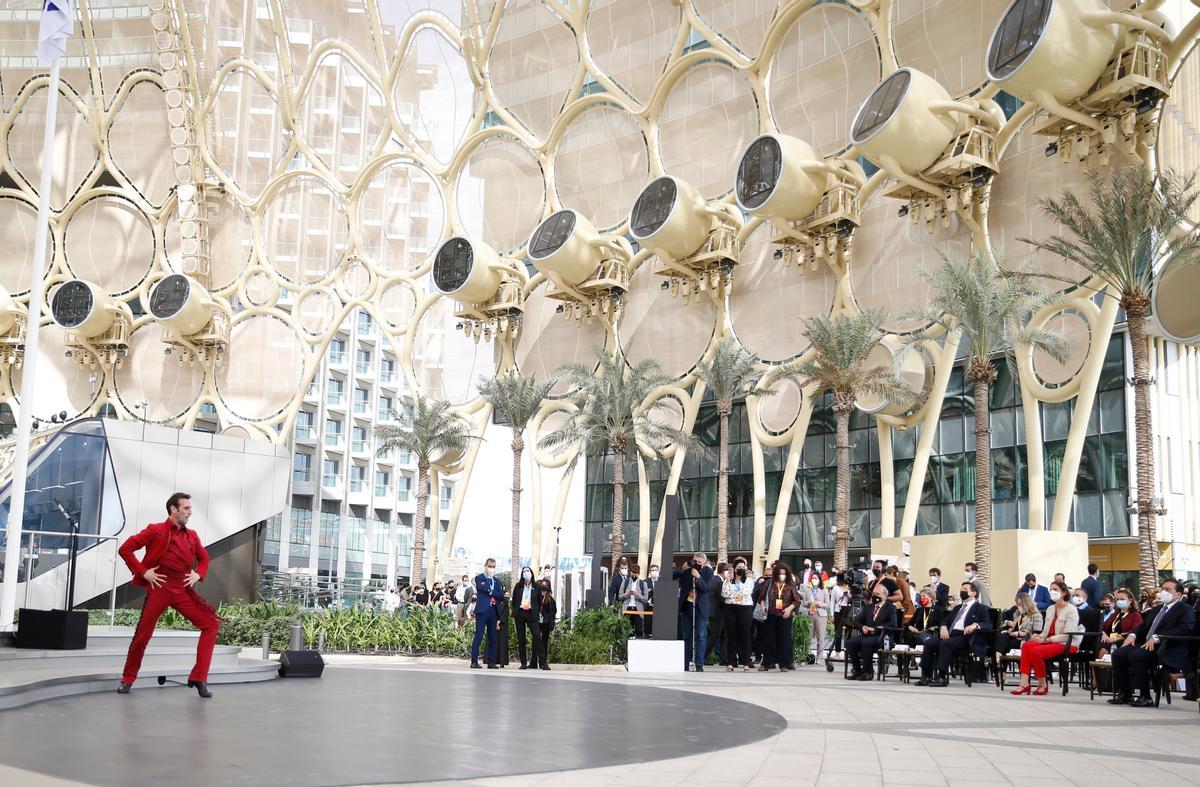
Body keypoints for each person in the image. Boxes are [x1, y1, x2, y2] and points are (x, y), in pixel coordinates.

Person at [116, 493, 220, 698]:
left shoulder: (192, 536)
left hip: (181, 590)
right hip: (160, 588)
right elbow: (125, 549)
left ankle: (199, 676)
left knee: (211, 625)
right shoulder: (155, 530)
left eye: (190, 508)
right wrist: (143, 571)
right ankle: (128, 678)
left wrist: (198, 573)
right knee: (142, 636)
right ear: (174, 509)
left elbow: (204, 558)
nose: (190, 512)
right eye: (186, 508)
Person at [1110, 578, 1196, 707]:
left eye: (1168, 589)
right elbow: (1143, 626)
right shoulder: (1157, 609)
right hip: (1146, 646)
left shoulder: (1185, 609)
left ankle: (1145, 696)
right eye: (1162, 589)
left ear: (1178, 594)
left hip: (1167, 649)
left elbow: (1184, 629)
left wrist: (1158, 637)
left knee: (1137, 655)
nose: (1163, 592)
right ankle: (1125, 694)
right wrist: (1133, 634)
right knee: (1119, 654)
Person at [1011, 580, 1081, 696]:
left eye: (1055, 590)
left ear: (1063, 593)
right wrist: (1037, 637)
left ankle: (1042, 684)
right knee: (1027, 645)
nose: (1052, 592)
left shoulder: (1071, 610)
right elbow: (1045, 632)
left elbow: (1068, 635)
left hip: (1067, 643)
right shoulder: (1050, 609)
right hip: (1049, 641)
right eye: (1051, 589)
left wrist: (1046, 640)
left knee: (1035, 651)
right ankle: (1024, 684)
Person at [921, 581, 991, 687]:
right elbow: (944, 620)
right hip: (950, 634)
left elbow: (987, 624)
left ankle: (942, 677)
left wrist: (975, 625)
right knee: (929, 643)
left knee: (946, 644)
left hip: (965, 637)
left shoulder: (981, 608)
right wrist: (943, 627)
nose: (962, 591)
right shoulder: (957, 608)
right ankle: (926, 676)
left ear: (973, 593)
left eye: (965, 590)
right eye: (961, 589)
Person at [845, 583, 897, 681]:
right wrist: (862, 627)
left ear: (884, 596)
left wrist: (875, 629)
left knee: (866, 643)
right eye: (873, 593)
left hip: (882, 636)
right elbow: (856, 621)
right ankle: (857, 671)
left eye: (877, 594)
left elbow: (892, 624)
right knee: (850, 642)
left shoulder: (890, 608)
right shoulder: (868, 607)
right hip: (867, 635)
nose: (874, 596)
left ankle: (867, 672)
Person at [759, 562, 803, 672]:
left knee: (784, 639)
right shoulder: (769, 583)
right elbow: (761, 597)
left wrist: (789, 609)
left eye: (783, 573)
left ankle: (784, 664)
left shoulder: (790, 585)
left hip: (785, 615)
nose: (781, 575)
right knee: (769, 638)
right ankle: (766, 663)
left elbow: (797, 600)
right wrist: (763, 606)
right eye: (779, 573)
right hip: (771, 614)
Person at [674, 552, 713, 671]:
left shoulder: (708, 572)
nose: (696, 564)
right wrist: (683, 568)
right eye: (695, 561)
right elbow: (672, 575)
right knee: (686, 636)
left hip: (700, 608)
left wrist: (698, 577)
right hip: (687, 607)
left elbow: (706, 588)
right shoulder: (688, 570)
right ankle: (685, 663)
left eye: (699, 562)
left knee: (701, 636)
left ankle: (699, 664)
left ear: (704, 563)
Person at [910, 589, 951, 684]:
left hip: (931, 635)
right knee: (910, 635)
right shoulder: (919, 609)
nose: (922, 598)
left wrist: (935, 628)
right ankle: (924, 675)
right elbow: (909, 623)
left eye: (924, 596)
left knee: (928, 643)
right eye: (921, 596)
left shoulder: (938, 610)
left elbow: (942, 623)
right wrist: (911, 627)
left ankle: (926, 676)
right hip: (918, 635)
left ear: (931, 598)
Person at [470, 558, 505, 669]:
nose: (491, 569)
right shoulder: (479, 578)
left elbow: (500, 596)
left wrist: (490, 591)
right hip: (482, 610)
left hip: (493, 611)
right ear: (485, 566)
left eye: (493, 567)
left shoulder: (497, 581)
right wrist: (491, 591)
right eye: (490, 566)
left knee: (493, 637)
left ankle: (491, 662)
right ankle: (474, 661)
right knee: (479, 636)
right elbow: (482, 587)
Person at [993, 592, 1043, 668]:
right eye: (1017, 604)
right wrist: (1007, 631)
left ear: (1027, 604)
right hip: (1014, 638)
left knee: (1004, 645)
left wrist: (1019, 634)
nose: (1018, 606)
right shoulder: (1018, 614)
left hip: (1026, 640)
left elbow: (1036, 633)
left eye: (1020, 605)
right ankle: (998, 660)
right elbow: (1014, 628)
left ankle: (999, 665)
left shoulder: (1036, 615)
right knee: (1000, 636)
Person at [722, 562, 755, 671]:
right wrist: (727, 580)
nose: (740, 569)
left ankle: (746, 662)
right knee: (731, 636)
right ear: (734, 569)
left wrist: (734, 595)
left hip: (745, 608)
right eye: (738, 567)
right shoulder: (728, 580)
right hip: (730, 608)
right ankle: (731, 662)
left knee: (745, 635)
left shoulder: (749, 580)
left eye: (743, 567)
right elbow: (724, 594)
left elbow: (746, 592)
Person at [512, 566, 543, 669]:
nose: (526, 572)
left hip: (531, 613)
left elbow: (539, 601)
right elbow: (514, 600)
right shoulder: (518, 586)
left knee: (537, 636)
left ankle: (543, 662)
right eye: (524, 571)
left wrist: (536, 610)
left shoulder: (536, 586)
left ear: (531, 573)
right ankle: (523, 663)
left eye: (528, 571)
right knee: (521, 639)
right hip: (520, 613)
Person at [1098, 587, 1142, 659]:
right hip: (1108, 639)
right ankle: (1095, 670)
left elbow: (1136, 630)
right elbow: (1102, 626)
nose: (1119, 601)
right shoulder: (1116, 614)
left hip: (1123, 641)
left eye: (1122, 599)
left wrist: (1116, 639)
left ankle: (1104, 670)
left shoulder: (1135, 615)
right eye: (1117, 599)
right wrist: (1103, 633)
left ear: (1130, 600)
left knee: (1104, 649)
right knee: (1094, 646)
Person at [621, 564, 652, 638]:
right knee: (627, 630)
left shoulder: (643, 584)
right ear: (630, 572)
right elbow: (620, 596)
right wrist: (627, 594)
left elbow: (645, 599)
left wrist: (637, 594)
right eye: (633, 572)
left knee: (639, 630)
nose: (634, 575)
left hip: (638, 610)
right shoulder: (625, 582)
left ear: (639, 573)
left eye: (636, 573)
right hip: (627, 609)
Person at [705, 563, 727, 665]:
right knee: (715, 636)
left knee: (723, 636)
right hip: (717, 613)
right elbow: (722, 598)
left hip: (719, 613)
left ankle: (723, 659)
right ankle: (703, 655)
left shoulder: (718, 580)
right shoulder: (718, 582)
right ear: (724, 571)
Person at [806, 570, 832, 659]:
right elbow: (804, 603)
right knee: (808, 636)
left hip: (821, 615)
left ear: (819, 580)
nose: (814, 580)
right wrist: (808, 603)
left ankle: (819, 658)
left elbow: (828, 604)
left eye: (815, 578)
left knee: (820, 637)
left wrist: (819, 603)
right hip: (810, 614)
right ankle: (807, 656)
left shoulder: (824, 590)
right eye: (812, 578)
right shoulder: (808, 590)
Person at [535, 578, 556, 670]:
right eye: (542, 587)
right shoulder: (537, 597)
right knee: (536, 641)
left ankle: (543, 662)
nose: (543, 589)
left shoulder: (550, 600)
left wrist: (551, 623)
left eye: (545, 587)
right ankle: (534, 662)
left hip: (546, 623)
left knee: (544, 642)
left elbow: (553, 612)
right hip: (537, 622)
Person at [644, 564, 658, 638]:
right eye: (652, 570)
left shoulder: (662, 581)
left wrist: (652, 589)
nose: (654, 572)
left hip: (659, 606)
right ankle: (647, 635)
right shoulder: (645, 582)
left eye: (656, 570)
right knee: (648, 622)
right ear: (650, 572)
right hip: (648, 606)